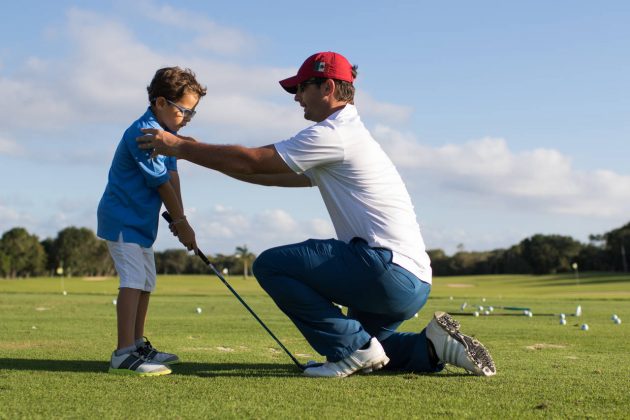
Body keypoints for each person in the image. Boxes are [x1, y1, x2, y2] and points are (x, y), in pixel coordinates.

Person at [136, 52, 496, 378]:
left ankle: (353, 349)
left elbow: (253, 161)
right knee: (380, 351)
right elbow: (267, 175)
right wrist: (194, 152)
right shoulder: (347, 139)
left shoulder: (334, 134)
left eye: (301, 88)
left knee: (272, 265)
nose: (296, 97)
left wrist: (178, 146)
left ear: (327, 87)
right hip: (412, 282)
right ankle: (432, 345)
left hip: (384, 270)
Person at [98, 66, 206, 376]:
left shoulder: (168, 136)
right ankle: (122, 354)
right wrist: (182, 222)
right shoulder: (143, 133)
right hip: (122, 218)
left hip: (142, 222)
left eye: (192, 113)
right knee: (133, 280)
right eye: (183, 110)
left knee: (146, 282)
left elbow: (172, 177)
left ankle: (136, 345)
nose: (186, 118)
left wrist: (178, 219)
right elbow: (159, 182)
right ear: (160, 103)